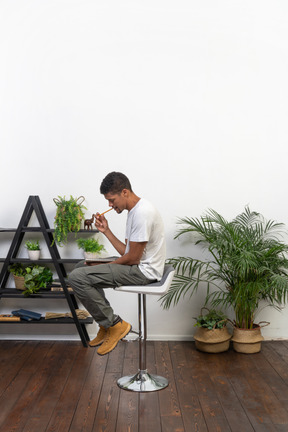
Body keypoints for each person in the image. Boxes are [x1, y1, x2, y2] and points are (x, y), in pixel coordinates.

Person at [68, 171, 166, 355]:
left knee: (77, 277)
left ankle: (115, 325)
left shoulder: (142, 213)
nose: (110, 205)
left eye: (112, 200)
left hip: (144, 272)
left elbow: (133, 259)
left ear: (125, 192)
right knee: (81, 267)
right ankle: (106, 325)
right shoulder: (134, 211)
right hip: (136, 265)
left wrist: (103, 266)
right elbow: (127, 252)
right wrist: (106, 231)